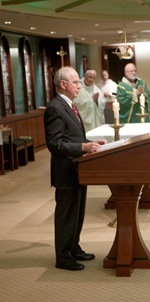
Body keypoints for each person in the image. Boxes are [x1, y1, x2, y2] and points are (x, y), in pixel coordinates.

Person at [44, 66, 106, 271]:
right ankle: (63, 256)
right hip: (65, 170)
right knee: (66, 215)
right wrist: (83, 147)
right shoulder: (55, 107)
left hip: (79, 168)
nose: (79, 86)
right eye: (76, 82)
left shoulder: (69, 105)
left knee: (77, 213)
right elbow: (55, 144)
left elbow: (73, 137)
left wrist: (90, 142)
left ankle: (74, 248)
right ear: (63, 84)